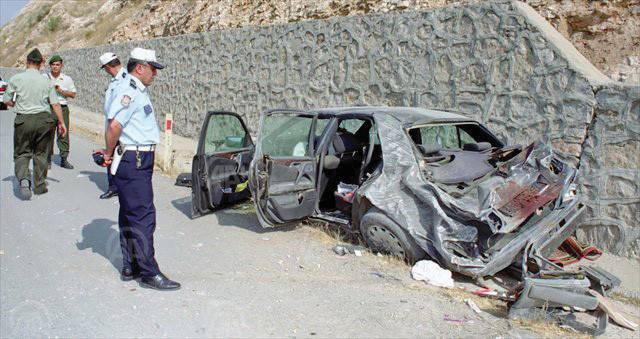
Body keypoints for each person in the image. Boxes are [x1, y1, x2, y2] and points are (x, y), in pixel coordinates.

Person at [97, 47, 180, 291]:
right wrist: (108, 153)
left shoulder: (133, 89)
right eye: (153, 69)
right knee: (143, 216)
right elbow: (114, 126)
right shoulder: (130, 91)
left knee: (130, 213)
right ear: (140, 68)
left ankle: (131, 264)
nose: (155, 74)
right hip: (134, 159)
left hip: (134, 158)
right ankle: (148, 272)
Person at [2, 48, 67, 200]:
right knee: (41, 153)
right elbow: (55, 104)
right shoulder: (47, 80)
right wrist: (62, 123)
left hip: (24, 119)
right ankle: (39, 186)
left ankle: (24, 180)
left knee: (22, 152)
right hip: (44, 120)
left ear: (27, 62)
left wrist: (15, 103)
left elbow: (6, 100)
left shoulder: (16, 79)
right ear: (41, 64)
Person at [98, 52, 127, 199]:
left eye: (105, 68)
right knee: (113, 155)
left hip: (119, 126)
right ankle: (114, 186)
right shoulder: (116, 80)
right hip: (112, 124)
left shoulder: (125, 80)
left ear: (108, 67)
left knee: (115, 155)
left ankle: (116, 186)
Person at [45, 54, 76, 169]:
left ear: (61, 65)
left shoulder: (67, 79)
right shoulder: (45, 77)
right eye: (53, 64)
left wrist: (61, 91)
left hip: (62, 108)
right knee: (48, 134)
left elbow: (73, 94)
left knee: (63, 133)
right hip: (48, 108)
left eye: (57, 64)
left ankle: (64, 158)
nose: (55, 67)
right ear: (50, 66)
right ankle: (47, 159)